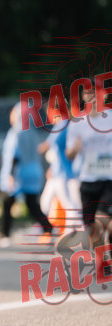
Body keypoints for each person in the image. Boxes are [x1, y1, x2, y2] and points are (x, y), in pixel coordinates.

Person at [0, 102, 53, 246]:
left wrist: (10, 175)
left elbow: (14, 155)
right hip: (33, 172)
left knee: (7, 203)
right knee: (32, 205)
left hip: (18, 173)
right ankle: (48, 227)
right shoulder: (32, 132)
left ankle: (4, 234)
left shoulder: (15, 132)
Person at [66, 78, 112, 248]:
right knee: (92, 228)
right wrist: (75, 149)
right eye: (88, 93)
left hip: (109, 179)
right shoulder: (77, 122)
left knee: (102, 219)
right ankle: (102, 262)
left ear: (104, 95)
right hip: (88, 179)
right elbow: (69, 154)